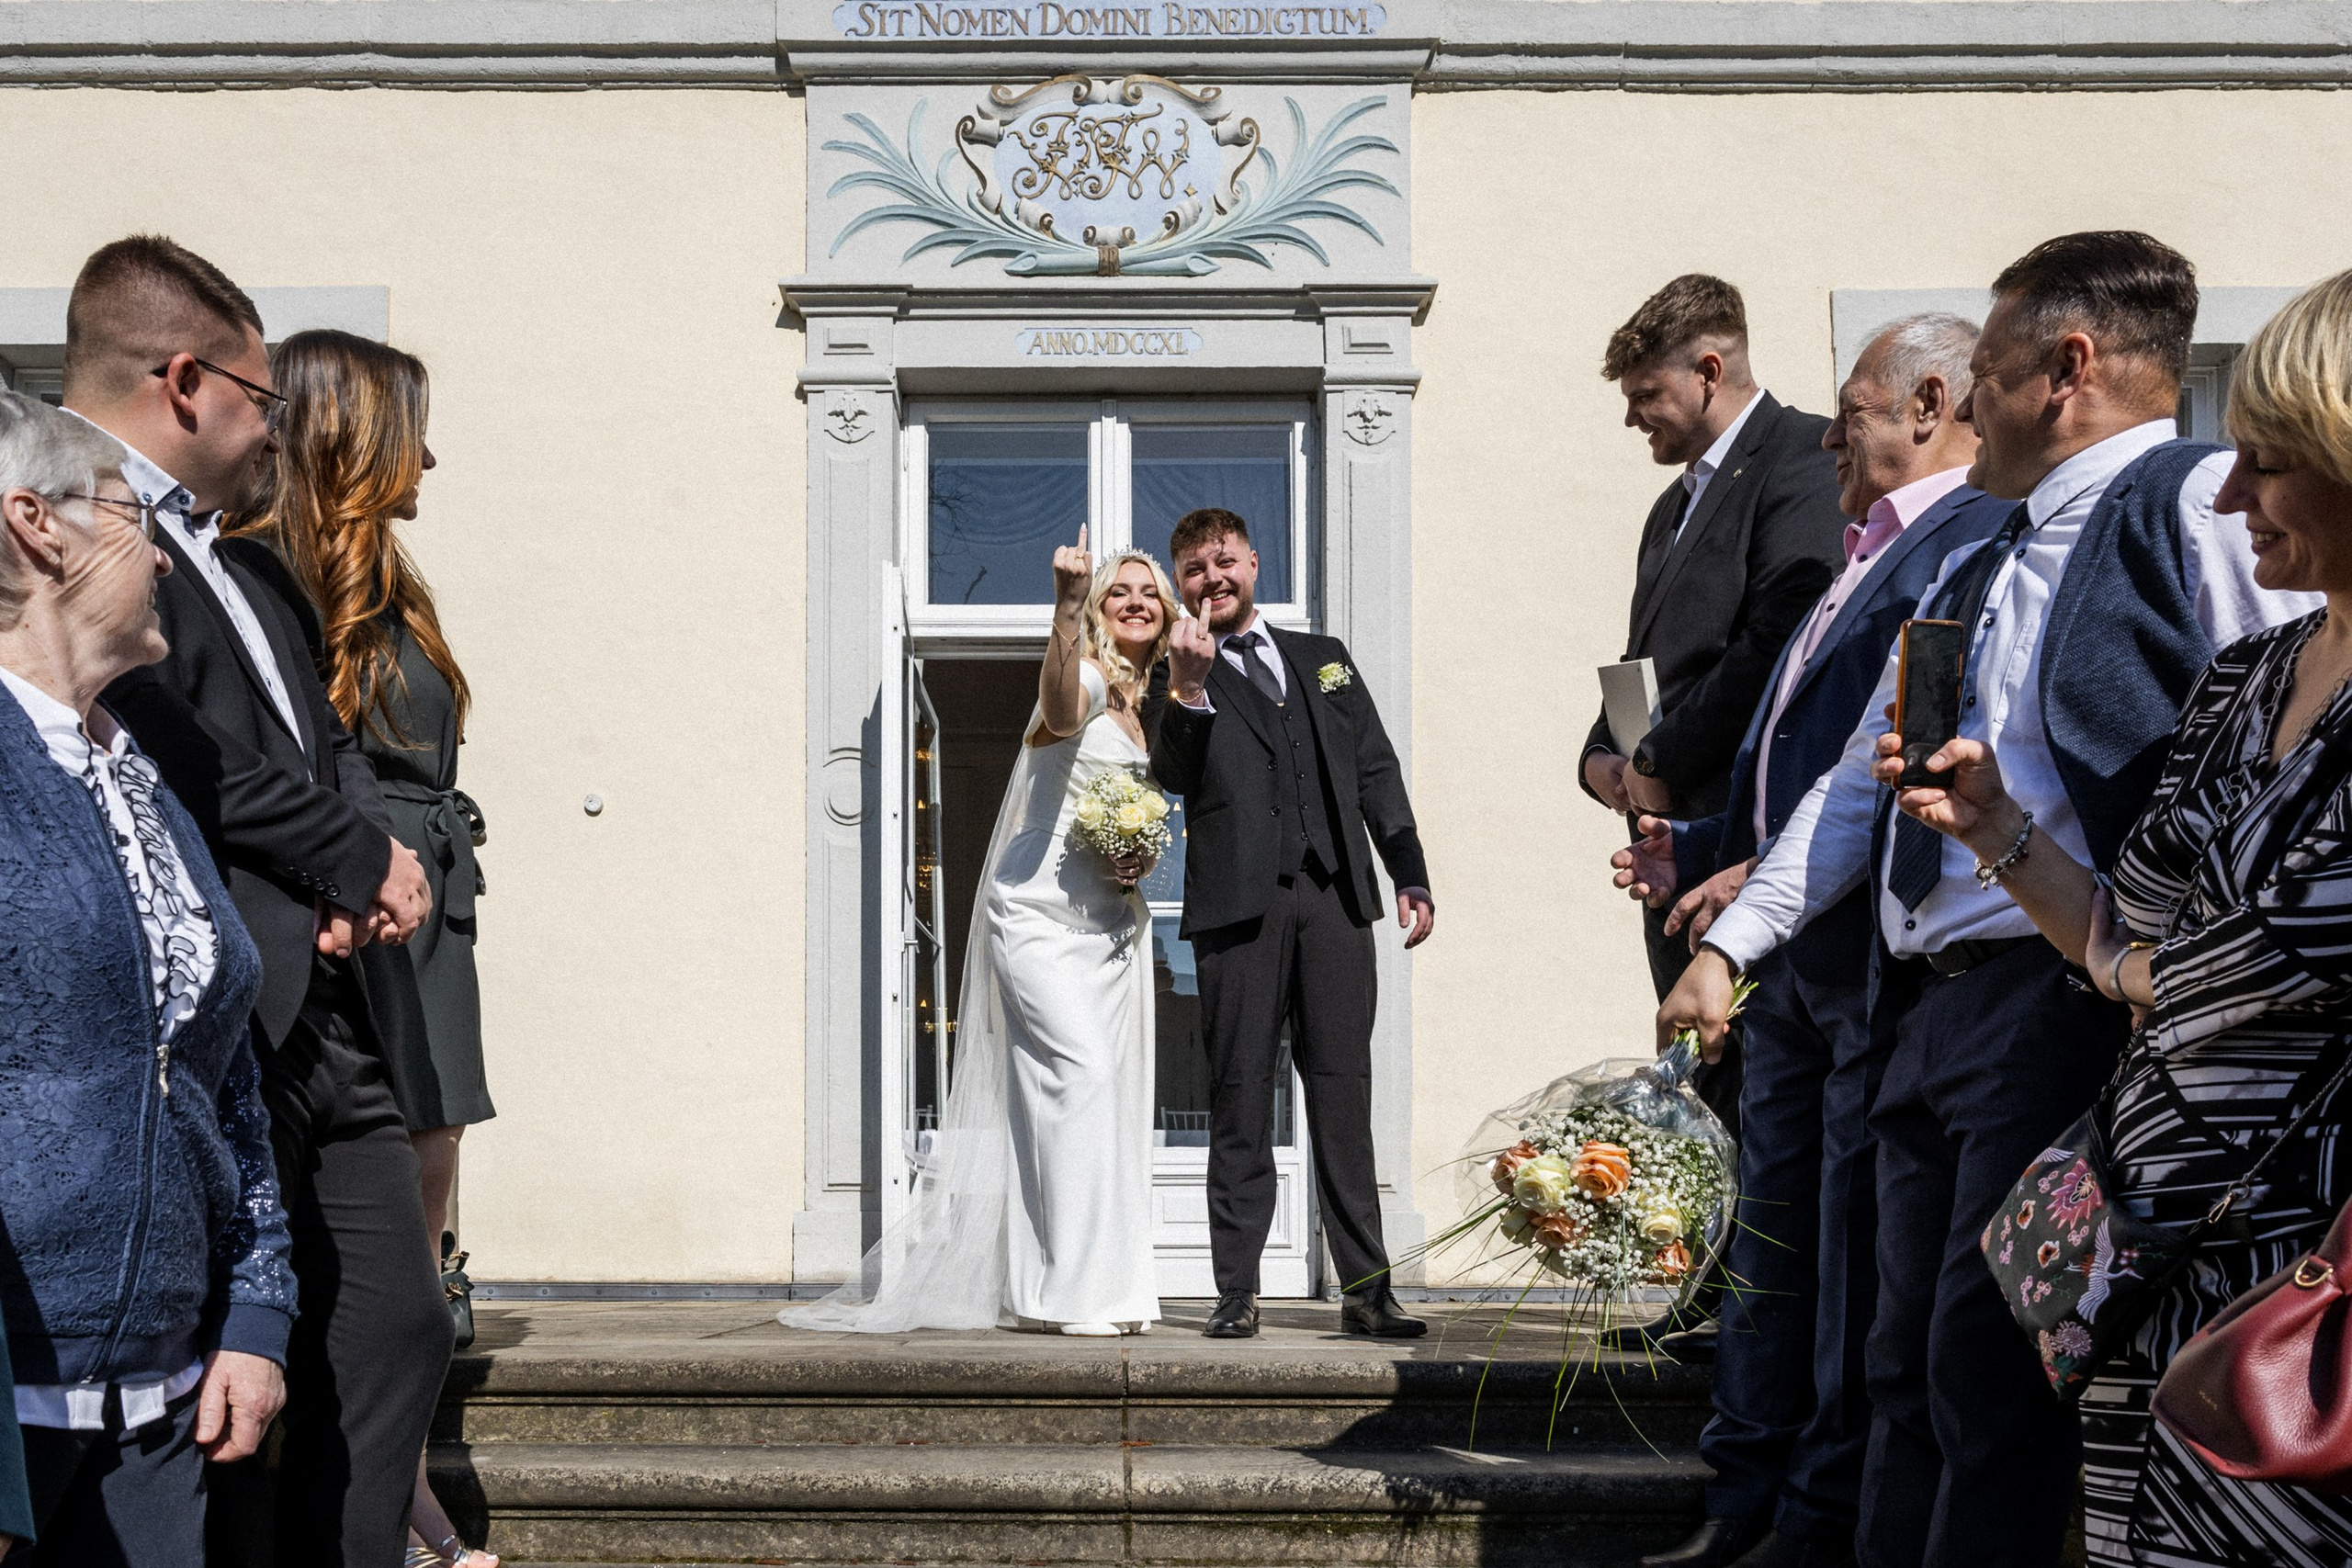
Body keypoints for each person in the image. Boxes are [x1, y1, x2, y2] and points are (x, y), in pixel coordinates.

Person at [1659, 231, 2323, 1568]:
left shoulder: (2195, 501)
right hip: (1927, 1009)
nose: (1966, 400)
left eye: (1994, 367)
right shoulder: (1971, 557)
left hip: (2066, 999)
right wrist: (1733, 941)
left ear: (2066, 369)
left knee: (1987, 1367)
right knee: (1901, 1358)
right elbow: (1859, 783)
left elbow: (2294, 729)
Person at [1880, 269, 2352, 1566]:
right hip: (2151, 1254)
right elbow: (2123, 934)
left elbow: (2185, 967)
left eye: (2272, 457)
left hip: (2312, 1262)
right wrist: (1994, 830)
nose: (2233, 488)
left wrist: (2158, 972)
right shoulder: (2252, 677)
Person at [58, 235, 453, 1568]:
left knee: (398, 1315)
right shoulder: (76, 526)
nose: (276, 427)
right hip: (206, 1010)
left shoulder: (258, 568)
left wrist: (365, 871)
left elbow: (319, 749)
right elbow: (181, 745)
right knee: (227, 1358)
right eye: (261, 397)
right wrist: (345, 857)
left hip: (329, 998)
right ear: (187, 382)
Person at [1613, 316, 2008, 1568]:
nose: (1830, 432)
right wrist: (1721, 845)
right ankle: (1753, 1498)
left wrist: (1750, 882)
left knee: (1844, 1272)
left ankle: (1806, 1512)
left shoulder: (1967, 543)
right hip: (1791, 948)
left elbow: (1902, 773)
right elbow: (1818, 767)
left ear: (1932, 404)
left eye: (1853, 406)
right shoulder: (1870, 548)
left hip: (1868, 964)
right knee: (1781, 1243)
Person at [0, 389, 296, 1563]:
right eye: (137, 517)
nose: (169, 561)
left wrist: (257, 1317)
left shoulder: (146, 785)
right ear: (38, 525)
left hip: (163, 1415)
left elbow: (223, 1075)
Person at [233, 330, 494, 1568]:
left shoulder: (391, 579)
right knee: (363, 1235)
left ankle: (398, 1492)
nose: (428, 454)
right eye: (412, 429)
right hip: (347, 922)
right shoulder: (272, 580)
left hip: (424, 915)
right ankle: (392, 1508)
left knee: (421, 1212)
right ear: (354, 434)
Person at [791, 535, 1175, 1335]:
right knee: (1079, 1080)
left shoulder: (1145, 707)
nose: (1136, 600)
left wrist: (1135, 856)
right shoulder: (1088, 678)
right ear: (1101, 610)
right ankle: (1063, 1293)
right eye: (1119, 592)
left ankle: (1098, 1289)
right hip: (1037, 919)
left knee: (1103, 1101)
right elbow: (1063, 707)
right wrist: (1066, 608)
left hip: (1109, 929)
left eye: (1149, 591)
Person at [1582, 273, 1849, 1354]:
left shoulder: (1800, 460)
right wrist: (1605, 760)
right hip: (1669, 834)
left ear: (1709, 367)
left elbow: (1777, 640)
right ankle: (1709, 1282)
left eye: (1646, 393)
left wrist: (1659, 758)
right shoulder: (1670, 506)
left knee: (1750, 1075)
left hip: (1751, 835)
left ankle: (1748, 1307)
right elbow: (1644, 664)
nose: (1633, 417)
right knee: (1699, 1072)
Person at [1153, 507, 1434, 1340]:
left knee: (1345, 1096)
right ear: (1182, 585)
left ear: (1254, 562)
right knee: (1239, 1094)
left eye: (1225, 560)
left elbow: (1375, 765)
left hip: (1336, 901)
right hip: (1238, 909)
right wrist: (1192, 687)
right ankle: (1236, 1290)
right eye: (1196, 569)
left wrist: (1408, 866)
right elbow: (1171, 774)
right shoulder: (1179, 674)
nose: (1214, 578)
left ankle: (1368, 1290)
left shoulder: (1325, 660)